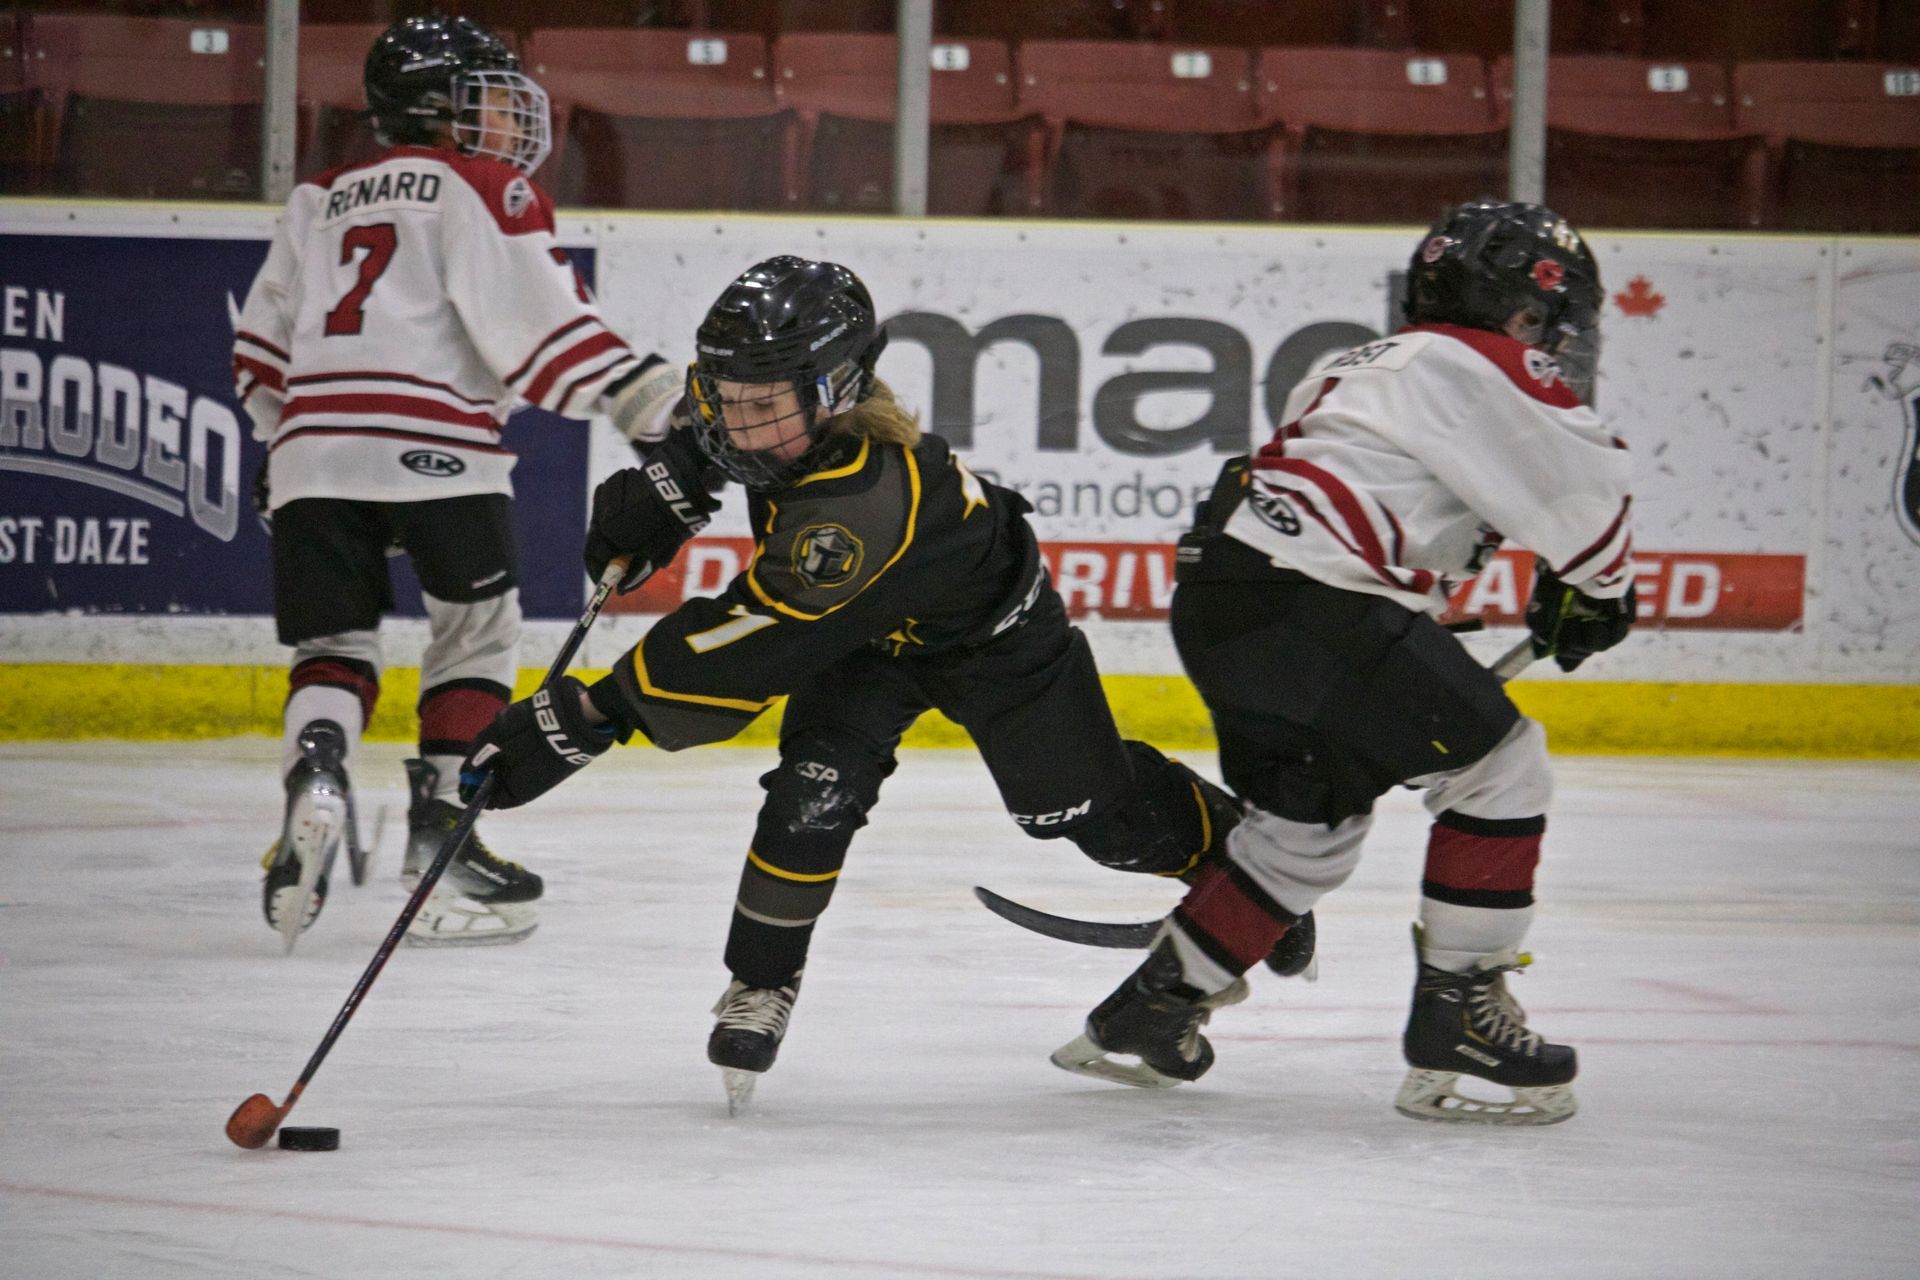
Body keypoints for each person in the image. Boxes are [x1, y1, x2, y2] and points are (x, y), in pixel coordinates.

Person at [455, 255, 1276, 1106]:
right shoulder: (777, 415)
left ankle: (1241, 860)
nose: (739, 425)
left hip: (994, 635)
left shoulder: (864, 505)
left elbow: (750, 640)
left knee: (1082, 814)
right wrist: (667, 491)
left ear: (836, 389)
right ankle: (762, 984)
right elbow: (712, 438)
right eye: (726, 397)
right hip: (865, 642)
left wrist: (586, 715)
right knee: (815, 790)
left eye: (761, 407)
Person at [1051, 202, 1636, 1126]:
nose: (1550, 341)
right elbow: (1586, 492)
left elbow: (1400, 507)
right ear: (1524, 310)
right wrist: (1600, 586)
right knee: (1501, 767)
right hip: (1312, 600)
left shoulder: (1356, 364)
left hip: (1228, 597)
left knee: (1304, 833)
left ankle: (1155, 1006)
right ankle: (1462, 1010)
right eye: (1546, 320)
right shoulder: (1482, 361)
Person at [232, 16, 681, 950]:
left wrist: (292, 444)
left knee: (333, 642)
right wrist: (651, 408)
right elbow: (542, 323)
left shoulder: (317, 198)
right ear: (437, 104)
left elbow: (260, 352)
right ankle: (442, 838)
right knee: (475, 631)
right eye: (480, 92)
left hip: (313, 450)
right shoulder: (480, 183)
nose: (501, 112)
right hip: (442, 451)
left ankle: (316, 774)